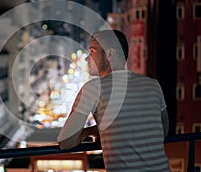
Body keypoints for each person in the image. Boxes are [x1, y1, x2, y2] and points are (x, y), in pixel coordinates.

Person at [57, 29, 170, 171]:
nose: (87, 59)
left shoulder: (93, 88)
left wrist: (89, 131)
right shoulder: (153, 84)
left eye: (92, 52)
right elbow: (164, 131)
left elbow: (66, 142)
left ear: (110, 54)